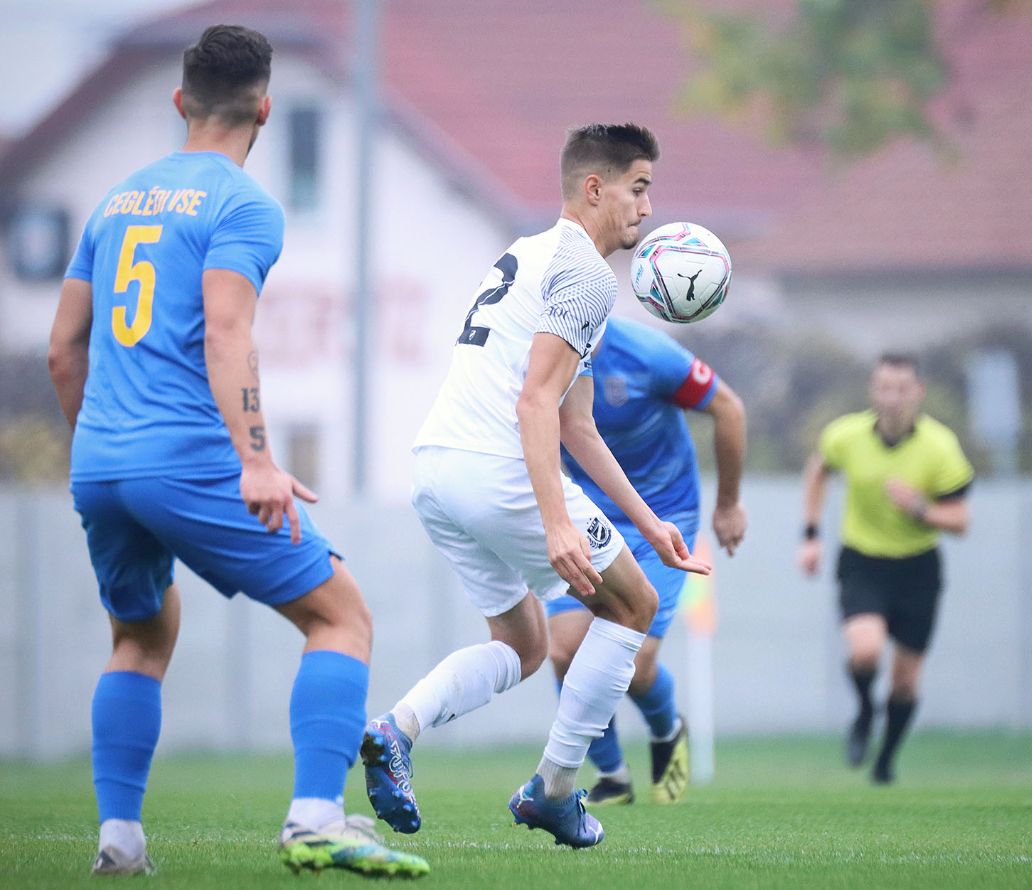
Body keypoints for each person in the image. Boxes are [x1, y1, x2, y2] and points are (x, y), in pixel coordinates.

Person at [47, 25, 428, 879]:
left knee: (141, 634)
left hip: (100, 462)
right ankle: (315, 818)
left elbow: (63, 351)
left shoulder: (114, 202)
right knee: (339, 616)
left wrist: (103, 450)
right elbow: (226, 330)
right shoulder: (242, 204)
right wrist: (257, 458)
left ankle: (120, 839)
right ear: (264, 109)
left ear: (179, 101)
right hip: (186, 457)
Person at [360, 124, 709, 849]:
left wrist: (648, 523)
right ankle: (553, 791)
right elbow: (534, 404)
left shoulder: (530, 254)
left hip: (438, 468)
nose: (648, 208)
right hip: (499, 469)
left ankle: (396, 729)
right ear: (595, 188)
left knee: (523, 644)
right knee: (634, 604)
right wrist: (556, 522)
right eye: (639, 188)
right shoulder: (587, 275)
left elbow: (578, 425)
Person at [545, 316, 747, 806]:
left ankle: (667, 729)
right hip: (588, 515)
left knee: (633, 665)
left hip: (665, 515)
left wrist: (727, 504)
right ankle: (612, 774)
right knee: (565, 651)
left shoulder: (648, 355)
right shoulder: (541, 354)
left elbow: (729, 408)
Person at [797, 353, 972, 784]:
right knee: (865, 650)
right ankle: (863, 711)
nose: (891, 398)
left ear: (919, 392)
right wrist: (811, 534)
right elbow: (818, 471)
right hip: (863, 561)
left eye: (901, 389)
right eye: (883, 388)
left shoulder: (940, 447)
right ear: (872, 391)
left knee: (905, 683)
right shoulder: (845, 435)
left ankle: (885, 761)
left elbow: (960, 520)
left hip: (918, 568)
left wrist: (921, 509)